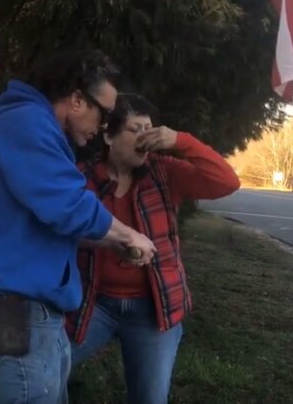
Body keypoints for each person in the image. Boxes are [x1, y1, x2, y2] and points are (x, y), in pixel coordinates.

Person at [0, 50, 158, 404]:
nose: (104, 128)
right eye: (106, 114)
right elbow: (69, 205)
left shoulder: (33, 128)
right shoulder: (27, 124)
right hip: (17, 316)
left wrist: (113, 244)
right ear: (77, 99)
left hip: (33, 316)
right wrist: (129, 234)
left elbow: (52, 220)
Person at [66, 94, 240, 404]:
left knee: (150, 398)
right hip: (93, 304)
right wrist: (115, 241)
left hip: (153, 308)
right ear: (108, 135)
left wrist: (180, 140)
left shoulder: (164, 172)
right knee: (47, 369)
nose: (145, 138)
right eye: (135, 129)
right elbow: (64, 228)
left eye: (150, 129)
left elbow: (226, 182)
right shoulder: (83, 177)